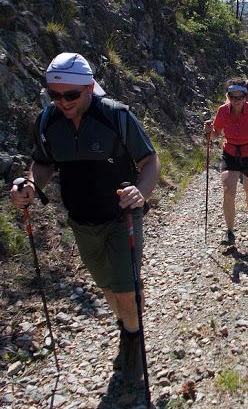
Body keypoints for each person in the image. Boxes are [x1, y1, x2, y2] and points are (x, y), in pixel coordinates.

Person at [10, 52, 160, 384]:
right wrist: (32, 184)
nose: (62, 101)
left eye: (71, 95)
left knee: (125, 287)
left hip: (123, 218)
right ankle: (127, 327)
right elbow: (43, 162)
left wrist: (141, 192)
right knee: (106, 286)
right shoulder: (48, 121)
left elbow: (150, 160)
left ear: (90, 88)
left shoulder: (116, 117)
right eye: (55, 94)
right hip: (81, 221)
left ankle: (133, 342)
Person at [204, 78, 248, 245]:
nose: (236, 100)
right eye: (233, 97)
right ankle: (230, 232)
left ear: (246, 96)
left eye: (240, 97)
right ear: (228, 96)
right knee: (228, 191)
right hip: (230, 153)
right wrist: (209, 132)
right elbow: (216, 134)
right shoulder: (222, 111)